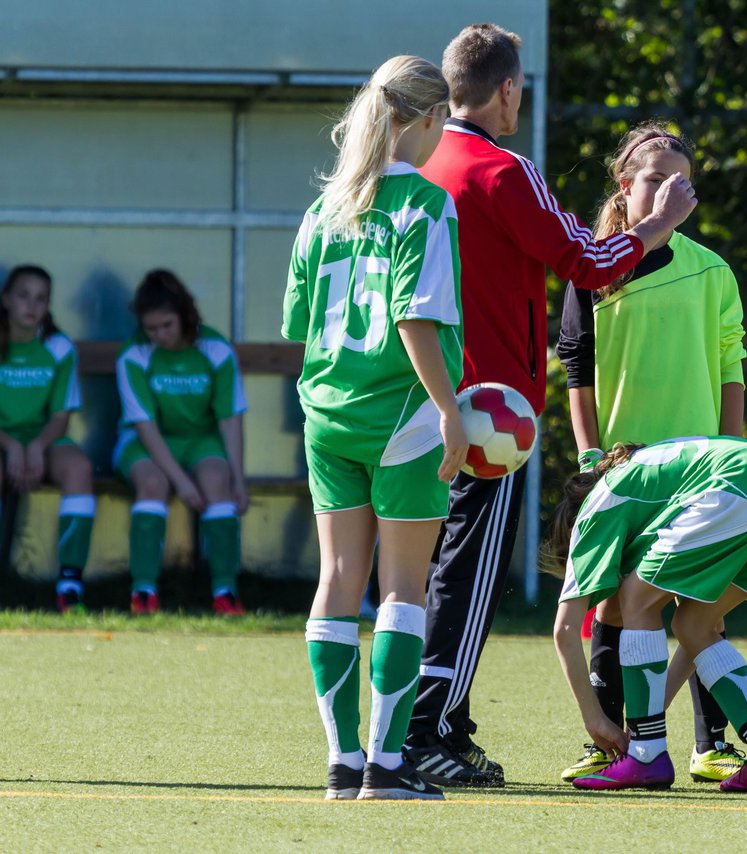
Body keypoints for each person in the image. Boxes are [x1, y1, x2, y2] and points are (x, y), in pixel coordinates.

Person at [401, 23, 697, 788]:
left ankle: (418, 723)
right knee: (467, 570)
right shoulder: (503, 169)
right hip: (484, 411)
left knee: (413, 569)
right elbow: (587, 264)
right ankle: (427, 728)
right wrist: (659, 225)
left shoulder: (418, 163)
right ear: (508, 89)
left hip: (409, 398)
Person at [282, 54, 465, 802]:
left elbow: (300, 323)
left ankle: (341, 761)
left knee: (336, 580)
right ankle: (387, 765)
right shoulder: (424, 202)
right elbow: (412, 315)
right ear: (425, 118)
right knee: (403, 586)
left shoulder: (325, 207)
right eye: (443, 122)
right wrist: (451, 410)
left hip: (327, 412)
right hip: (402, 416)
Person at [555, 123, 747, 784]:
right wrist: (590, 459)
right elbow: (576, 372)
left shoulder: (712, 270)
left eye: (681, 181)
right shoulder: (592, 268)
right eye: (654, 177)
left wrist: (733, 451)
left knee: (694, 601)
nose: (670, 190)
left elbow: (731, 367)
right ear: (622, 182)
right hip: (620, 468)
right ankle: (609, 740)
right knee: (611, 604)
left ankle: (710, 741)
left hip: (698, 465)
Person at [546, 436, 747, 792]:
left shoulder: (593, 512)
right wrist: (647, 717)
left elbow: (564, 629)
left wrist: (595, 720)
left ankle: (646, 755)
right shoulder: (646, 485)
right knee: (696, 625)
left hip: (743, 483)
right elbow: (689, 634)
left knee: (636, 599)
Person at [114, 269, 247, 615]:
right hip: (144, 442)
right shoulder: (134, 354)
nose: (158, 335)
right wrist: (182, 483)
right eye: (150, 328)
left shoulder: (216, 349)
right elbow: (144, 426)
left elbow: (230, 419)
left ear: (185, 315)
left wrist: (239, 480)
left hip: (200, 441)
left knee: (219, 481)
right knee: (153, 484)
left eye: (166, 326)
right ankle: (143, 592)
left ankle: (226, 592)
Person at [0, 265, 96, 612]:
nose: (32, 305)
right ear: (6, 299)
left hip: (43, 438)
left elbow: (61, 416)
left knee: (80, 469)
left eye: (41, 299)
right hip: (3, 440)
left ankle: (69, 585)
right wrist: (11, 447)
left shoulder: (57, 347)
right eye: (24, 295)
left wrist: (36, 447)